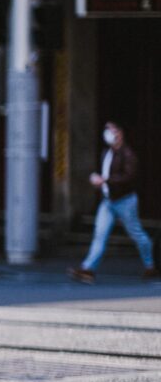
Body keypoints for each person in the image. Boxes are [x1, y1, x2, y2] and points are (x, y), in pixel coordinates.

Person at [67, 121, 159, 284]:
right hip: (108, 201)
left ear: (119, 134)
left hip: (125, 201)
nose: (107, 133)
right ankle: (88, 269)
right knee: (99, 235)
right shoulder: (106, 153)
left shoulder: (128, 154)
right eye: (106, 130)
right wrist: (100, 181)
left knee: (136, 233)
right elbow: (106, 175)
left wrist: (105, 180)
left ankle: (150, 265)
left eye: (111, 130)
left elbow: (129, 177)